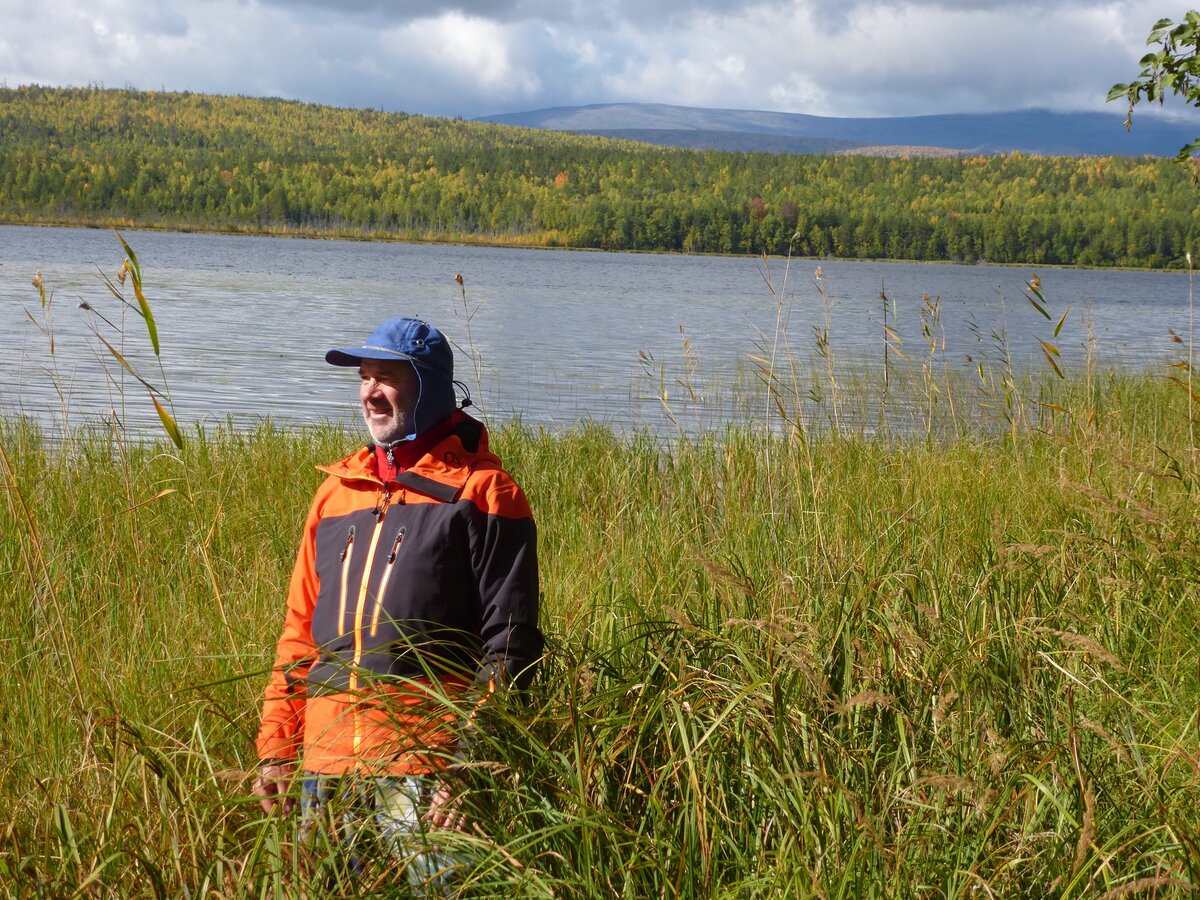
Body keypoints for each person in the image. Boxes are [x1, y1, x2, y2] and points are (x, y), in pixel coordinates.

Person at [251, 316, 543, 888]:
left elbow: (511, 647)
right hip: (325, 766)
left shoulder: (486, 493)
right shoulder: (336, 493)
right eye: (364, 377)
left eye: (386, 377)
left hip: (426, 771)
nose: (369, 392)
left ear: (428, 387)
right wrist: (277, 748)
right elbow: (299, 634)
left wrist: (466, 764)